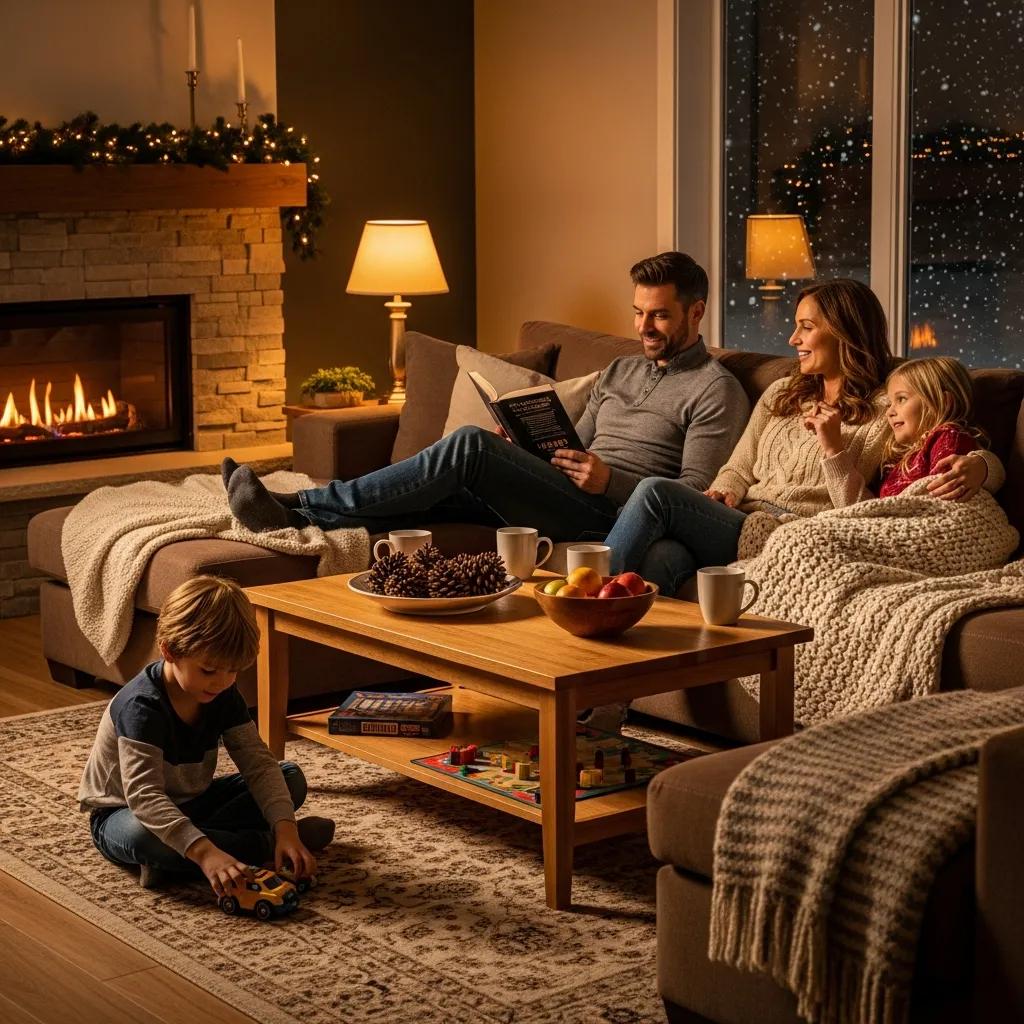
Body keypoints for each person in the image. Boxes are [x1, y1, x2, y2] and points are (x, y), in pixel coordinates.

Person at [222, 252, 750, 542]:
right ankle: (298, 514)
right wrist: (524, 449)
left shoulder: (715, 390)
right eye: (638, 312)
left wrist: (611, 481)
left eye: (658, 314)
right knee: (433, 492)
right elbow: (574, 448)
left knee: (469, 448)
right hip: (565, 494)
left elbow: (691, 495)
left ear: (696, 312)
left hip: (615, 520)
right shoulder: (621, 369)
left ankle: (302, 506)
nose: (644, 327)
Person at [605, 279, 1003, 595]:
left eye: (806, 328)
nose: (793, 339)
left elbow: (872, 507)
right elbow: (738, 467)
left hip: (790, 532)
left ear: (846, 334)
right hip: (736, 516)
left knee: (655, 492)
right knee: (663, 557)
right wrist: (723, 489)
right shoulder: (782, 392)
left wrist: (982, 467)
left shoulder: (889, 409)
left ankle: (582, 601)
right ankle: (621, 689)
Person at [79, 575, 335, 893]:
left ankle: (180, 858)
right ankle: (255, 847)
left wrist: (285, 827)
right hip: (124, 813)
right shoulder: (141, 706)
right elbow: (144, 798)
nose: (222, 682)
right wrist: (207, 854)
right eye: (209, 670)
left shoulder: (221, 693)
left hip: (194, 803)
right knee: (142, 837)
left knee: (289, 777)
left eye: (233, 670)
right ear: (170, 651)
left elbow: (257, 763)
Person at [879, 356, 986, 497]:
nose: (889, 412)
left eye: (901, 399)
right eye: (889, 404)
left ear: (943, 402)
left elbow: (942, 494)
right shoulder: (901, 458)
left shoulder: (949, 437)